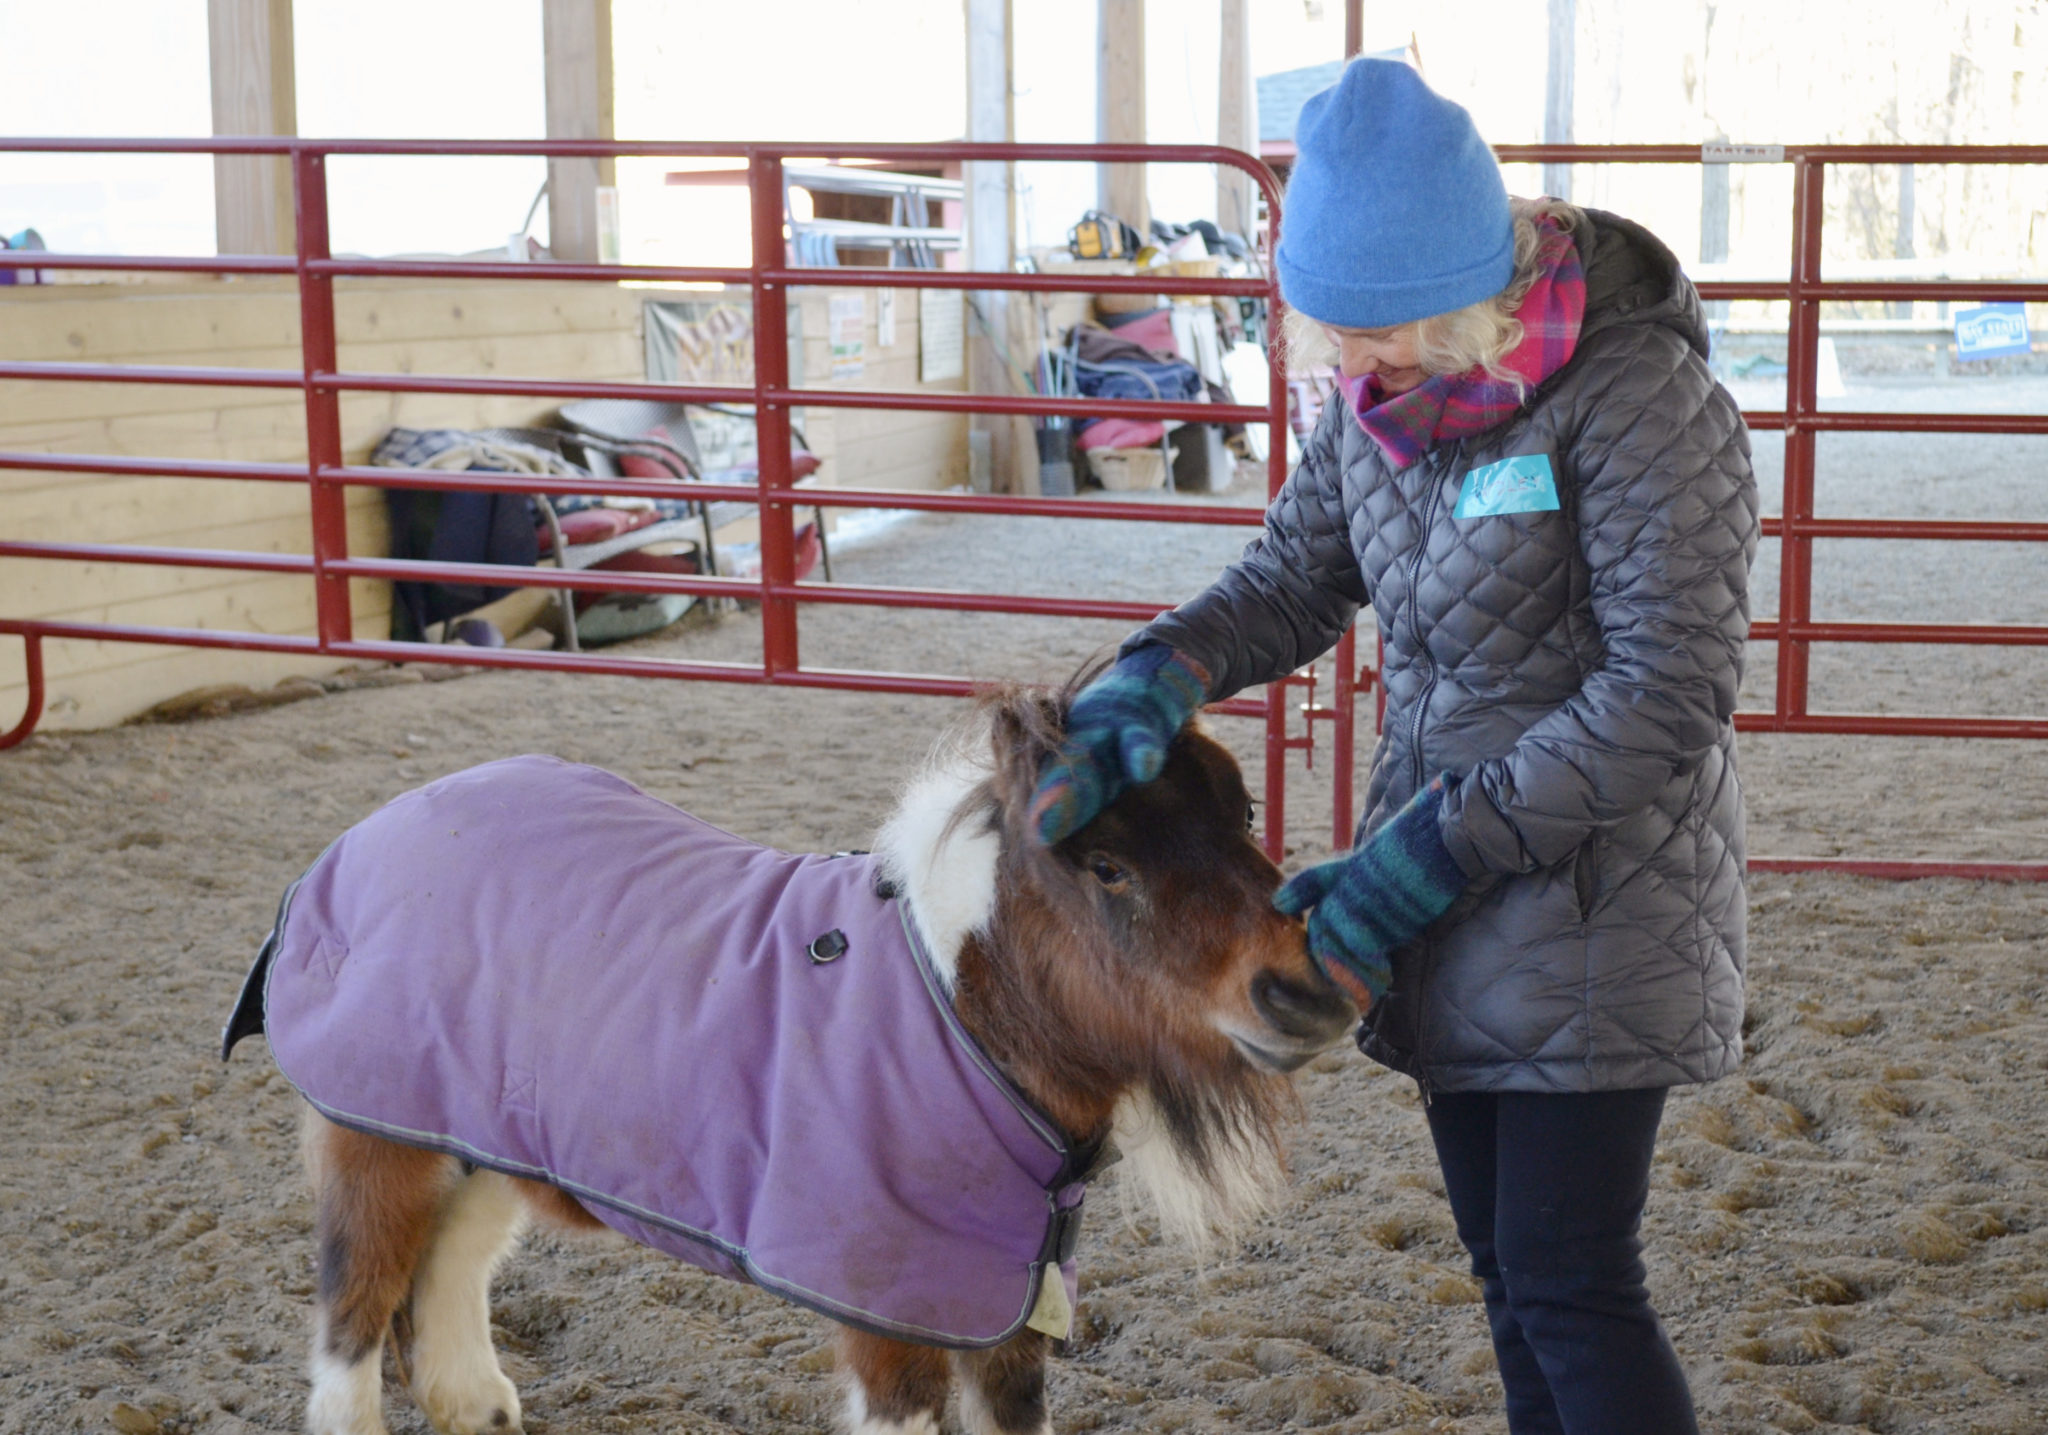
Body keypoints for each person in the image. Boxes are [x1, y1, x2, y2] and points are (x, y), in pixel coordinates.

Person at [1031, 59, 1759, 1435]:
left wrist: (1419, 856)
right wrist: (1155, 675)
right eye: (1333, 333)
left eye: (1390, 329)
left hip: (1600, 905)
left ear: (1473, 290)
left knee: (1571, 1280)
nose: (1354, 366)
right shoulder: (1381, 407)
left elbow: (1670, 690)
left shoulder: (1638, 400)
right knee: (1510, 1274)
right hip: (1442, 894)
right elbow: (1295, 578)